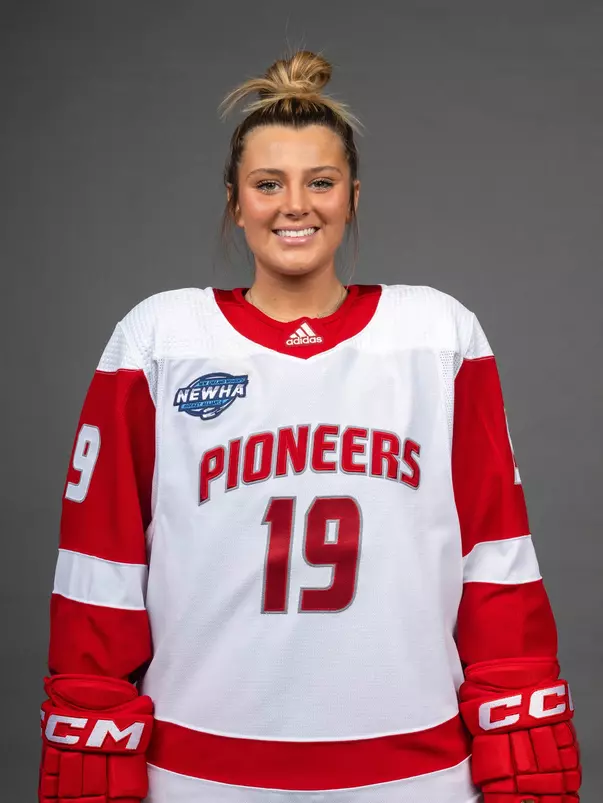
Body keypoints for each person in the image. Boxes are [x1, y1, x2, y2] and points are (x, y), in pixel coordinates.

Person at [39, 51, 581, 803]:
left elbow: (495, 558)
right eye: (268, 185)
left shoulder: (436, 334)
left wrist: (518, 738)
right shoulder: (159, 338)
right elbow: (100, 566)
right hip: (197, 771)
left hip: (417, 772)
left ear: (352, 197)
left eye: (319, 183)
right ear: (234, 201)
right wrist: (92, 732)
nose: (295, 205)